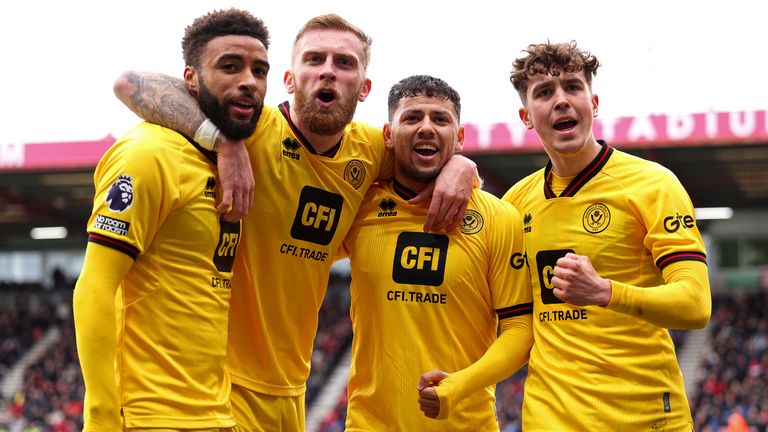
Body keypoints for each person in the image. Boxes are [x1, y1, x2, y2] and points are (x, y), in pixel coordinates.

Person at [112, 14, 478, 432]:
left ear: (363, 88)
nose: (327, 70)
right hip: (219, 386)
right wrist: (225, 141)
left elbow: (426, 152)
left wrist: (462, 166)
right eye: (314, 59)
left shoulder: (373, 150)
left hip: (292, 390)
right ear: (289, 78)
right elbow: (128, 83)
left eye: (344, 63)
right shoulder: (251, 129)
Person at [73, 9, 269, 430]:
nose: (249, 81)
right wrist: (103, 417)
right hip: (148, 416)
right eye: (229, 66)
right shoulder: (148, 154)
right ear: (190, 79)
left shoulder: (234, 156)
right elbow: (94, 287)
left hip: (217, 416)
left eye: (259, 69)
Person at [501, 40, 712, 431]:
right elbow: (512, 321)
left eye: (573, 87)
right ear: (526, 116)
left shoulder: (654, 184)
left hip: (645, 416)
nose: (561, 100)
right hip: (549, 419)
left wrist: (605, 292)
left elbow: (696, 305)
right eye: (544, 92)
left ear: (593, 103)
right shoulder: (515, 203)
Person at [340, 74, 533, 431]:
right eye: (412, 118)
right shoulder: (359, 205)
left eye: (440, 119)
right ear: (388, 135)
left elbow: (520, 329)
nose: (427, 127)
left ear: (459, 138)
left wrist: (460, 385)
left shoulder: (500, 217)